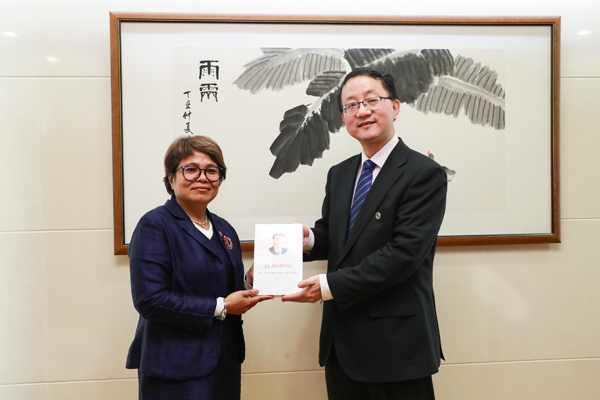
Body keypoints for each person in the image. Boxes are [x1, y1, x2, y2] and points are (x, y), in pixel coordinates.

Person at [282, 67, 448, 400]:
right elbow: (337, 236)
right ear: (344, 117)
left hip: (397, 345)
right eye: (351, 105)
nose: (362, 111)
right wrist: (309, 239)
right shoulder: (340, 174)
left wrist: (329, 286)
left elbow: (404, 254)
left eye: (372, 100)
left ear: (395, 107)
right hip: (341, 342)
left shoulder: (424, 174)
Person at [126, 135, 273, 400]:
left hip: (224, 362)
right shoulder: (155, 225)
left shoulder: (224, 228)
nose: (203, 178)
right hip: (174, 366)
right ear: (171, 178)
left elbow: (222, 288)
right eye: (191, 169)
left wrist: (249, 282)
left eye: (211, 171)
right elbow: (149, 300)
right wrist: (222, 307)